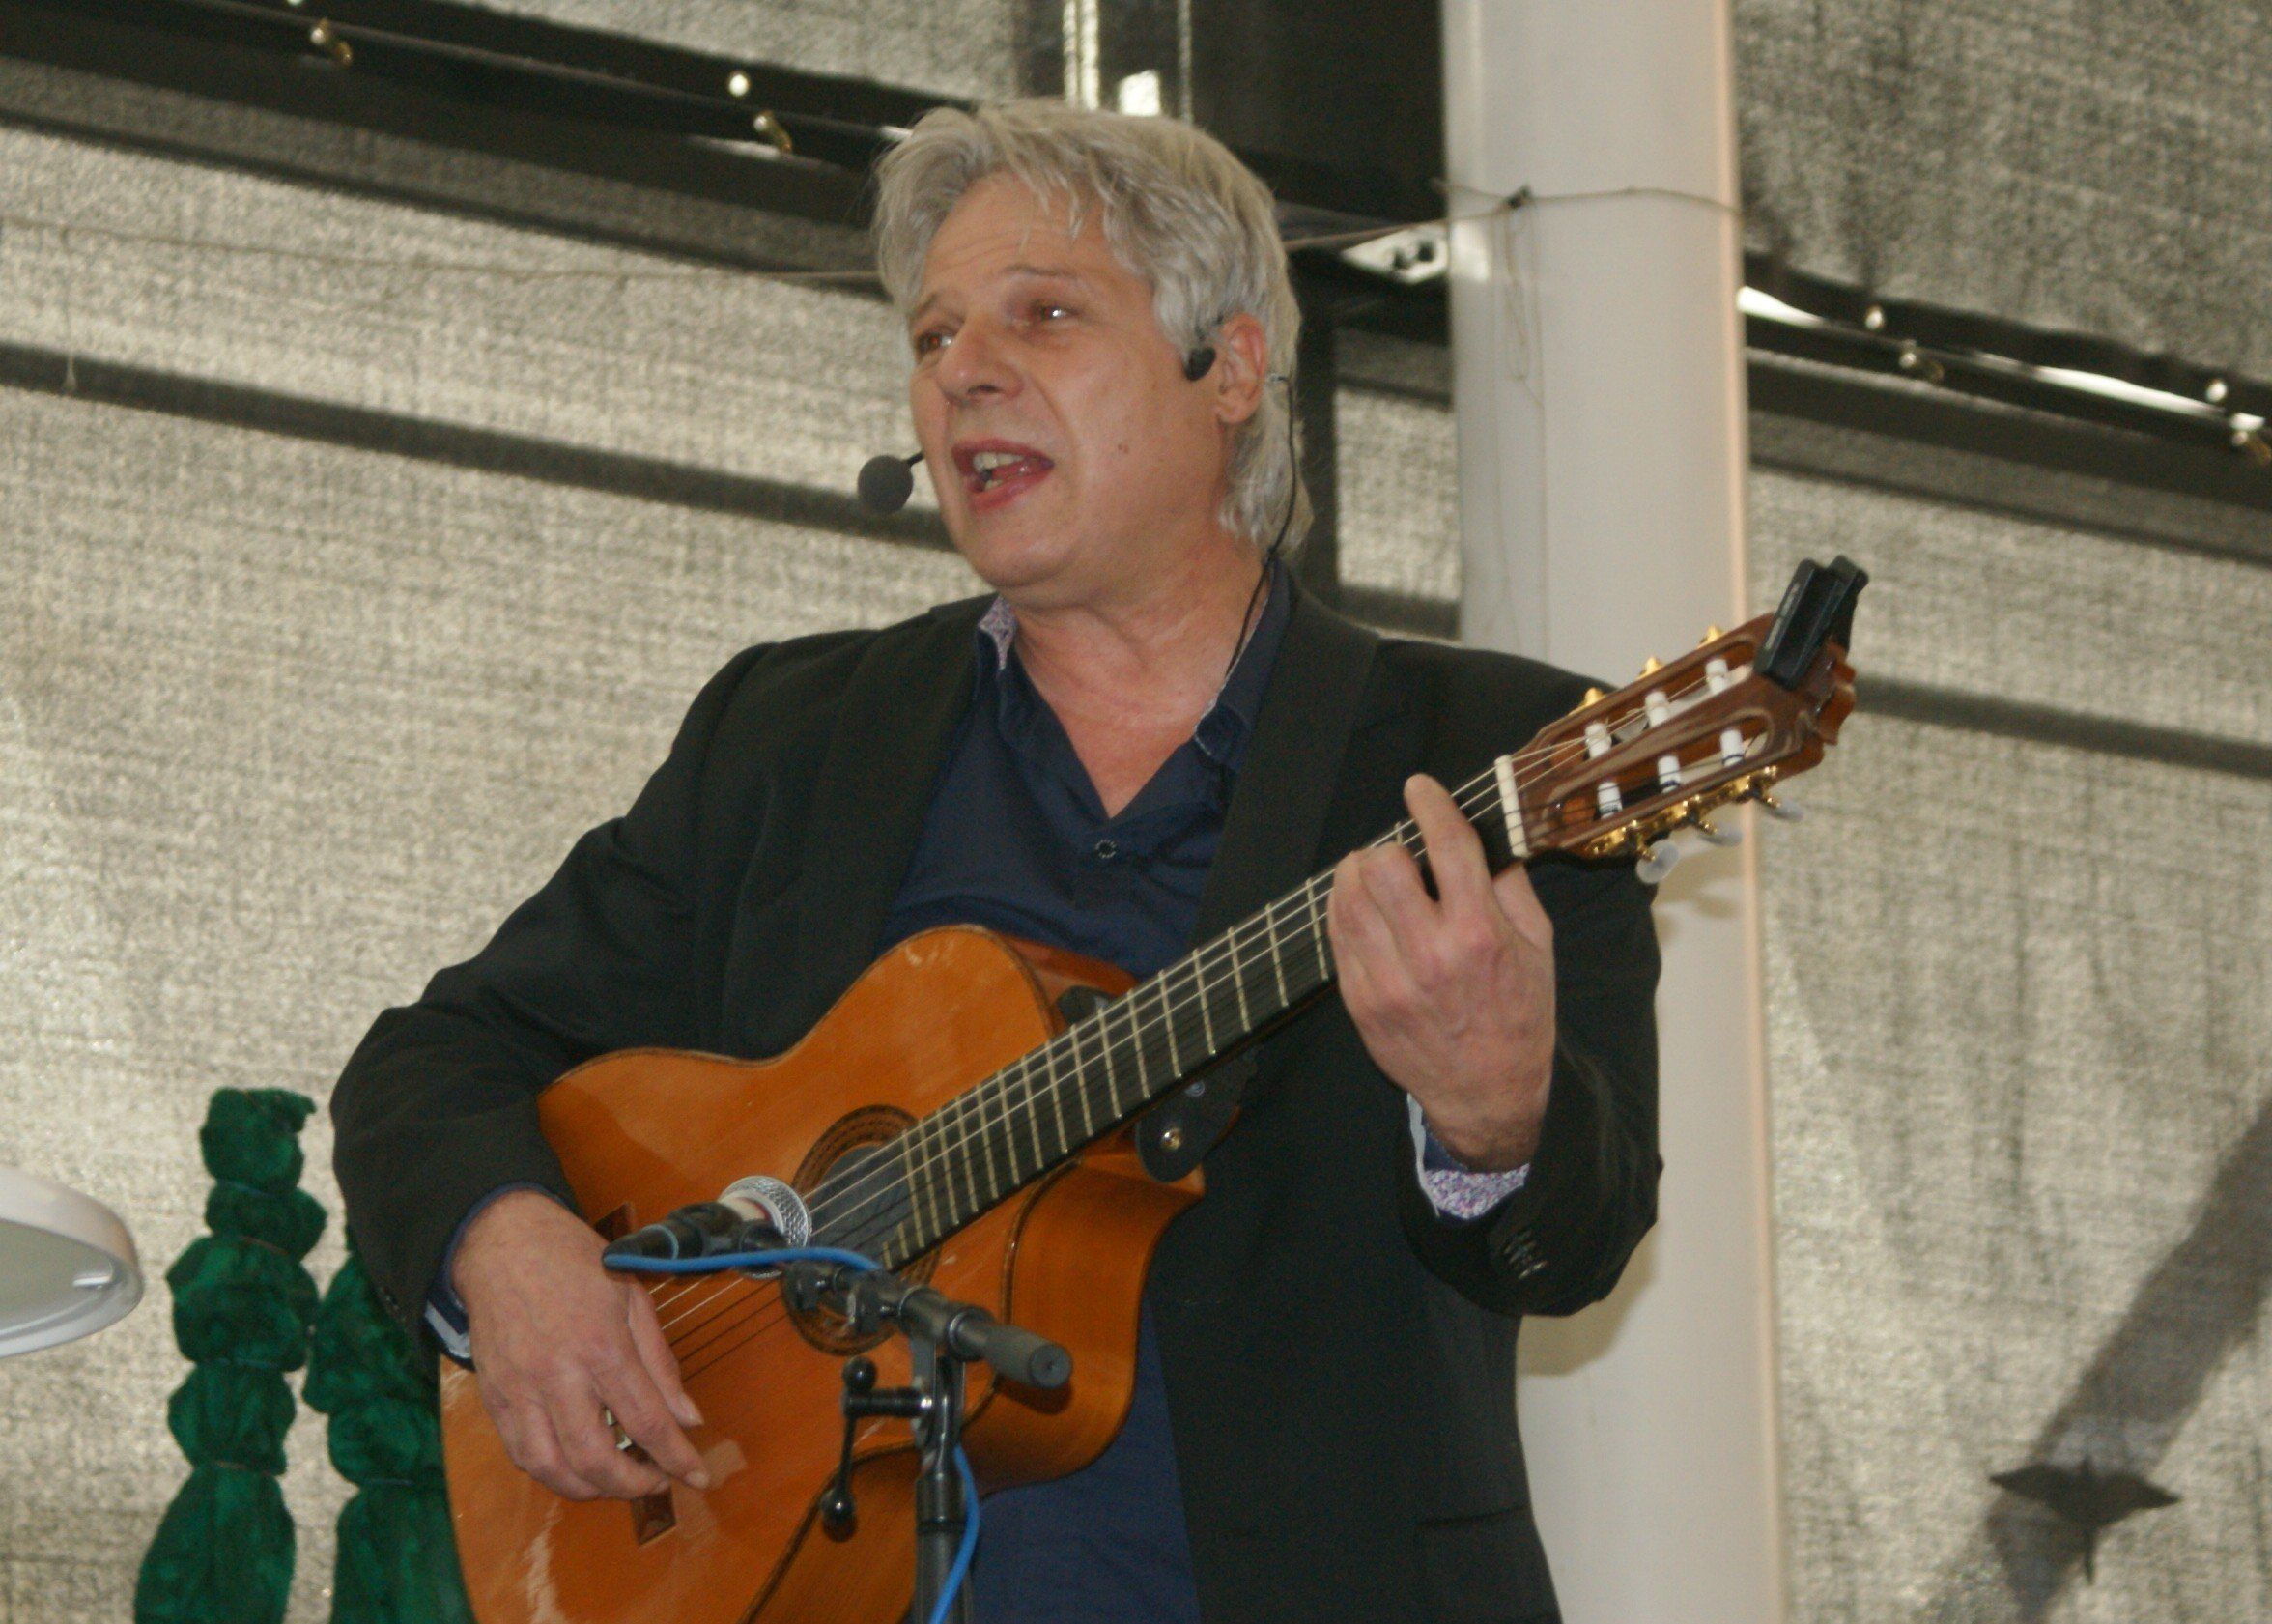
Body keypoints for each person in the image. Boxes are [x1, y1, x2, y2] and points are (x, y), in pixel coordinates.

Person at [331, 100, 1659, 1624]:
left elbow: (1576, 1240)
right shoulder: (795, 736)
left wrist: (1493, 1116)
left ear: (1227, 368)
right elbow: (436, 1059)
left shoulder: (1488, 760)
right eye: (934, 332)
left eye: (1045, 314)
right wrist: (506, 1248)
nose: (962, 369)